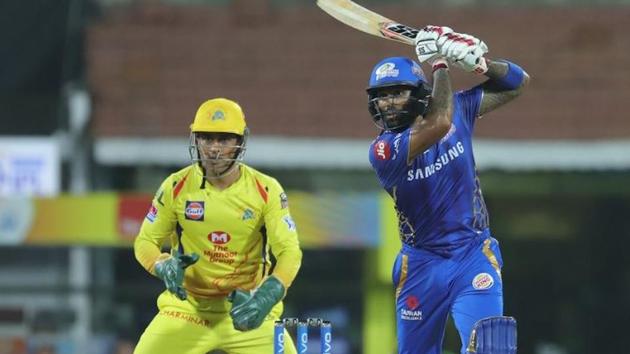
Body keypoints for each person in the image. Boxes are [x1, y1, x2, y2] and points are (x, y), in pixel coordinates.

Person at [366, 26, 530, 354]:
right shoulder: (384, 150)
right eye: (381, 96)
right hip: (422, 264)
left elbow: (518, 82)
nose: (387, 103)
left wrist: (477, 64)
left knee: (491, 347)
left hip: (472, 254)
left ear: (420, 94)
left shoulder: (459, 109)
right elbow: (439, 124)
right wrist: (440, 62)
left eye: (396, 93)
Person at [133, 98, 302, 354]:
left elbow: (290, 252)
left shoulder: (266, 190)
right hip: (187, 310)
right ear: (195, 139)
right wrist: (162, 265)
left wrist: (268, 295)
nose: (214, 149)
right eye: (207, 138)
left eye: (223, 139)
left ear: (240, 142)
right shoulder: (175, 187)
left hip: (248, 309)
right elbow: (145, 242)